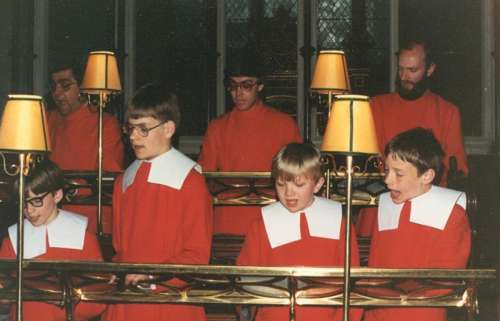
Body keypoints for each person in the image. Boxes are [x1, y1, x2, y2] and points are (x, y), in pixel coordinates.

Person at [101, 83, 213, 321]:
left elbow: (197, 255)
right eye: (130, 128)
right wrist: (115, 269)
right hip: (127, 303)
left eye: (143, 129)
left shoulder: (190, 181)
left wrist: (152, 275)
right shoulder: (124, 180)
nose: (132, 136)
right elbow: (120, 248)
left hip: (169, 300)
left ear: (169, 128)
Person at [237, 143, 362, 321]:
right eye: (281, 184)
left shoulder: (340, 224)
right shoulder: (261, 225)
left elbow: (353, 284)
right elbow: (245, 284)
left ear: (318, 184)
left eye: (299, 184)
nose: (289, 193)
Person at [357, 39, 468, 236]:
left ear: (430, 69)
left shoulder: (447, 112)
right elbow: (366, 163)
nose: (404, 77)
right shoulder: (377, 106)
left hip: (429, 208)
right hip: (382, 200)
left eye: (412, 70)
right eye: (400, 69)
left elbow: (455, 170)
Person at [364, 127, 471, 321]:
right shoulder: (386, 202)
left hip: (421, 313)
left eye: (399, 174)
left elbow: (446, 282)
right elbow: (375, 269)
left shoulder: (450, 212)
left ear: (427, 176)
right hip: (378, 312)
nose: (388, 181)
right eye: (387, 170)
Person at [198, 54, 302, 235]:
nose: (239, 93)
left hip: (273, 222)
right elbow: (204, 180)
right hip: (227, 222)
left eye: (246, 85)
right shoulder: (217, 127)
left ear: (260, 86)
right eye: (233, 86)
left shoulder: (284, 125)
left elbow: (299, 179)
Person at [0, 159, 105, 321]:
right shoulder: (13, 241)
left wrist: (58, 302)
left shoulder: (84, 238)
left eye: (36, 201)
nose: (29, 210)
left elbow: (98, 302)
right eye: (23, 202)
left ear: (57, 195)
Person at [47, 59, 125, 234]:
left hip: (90, 221)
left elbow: (108, 181)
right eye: (53, 87)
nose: (57, 94)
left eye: (65, 86)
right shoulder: (48, 119)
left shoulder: (105, 123)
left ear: (83, 87)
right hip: (51, 217)